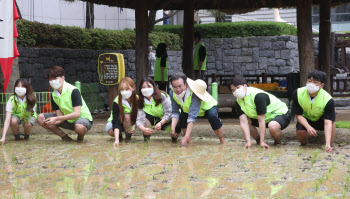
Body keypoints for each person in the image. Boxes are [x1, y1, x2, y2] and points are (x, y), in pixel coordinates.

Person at [230, 76, 291, 149]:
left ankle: (277, 143)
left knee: (273, 125)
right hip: (264, 118)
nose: (236, 91)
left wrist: (263, 141)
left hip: (280, 114)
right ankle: (258, 141)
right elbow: (243, 122)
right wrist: (248, 141)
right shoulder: (238, 101)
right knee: (247, 121)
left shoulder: (258, 96)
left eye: (238, 88)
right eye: (233, 90)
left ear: (245, 86)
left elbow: (261, 120)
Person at [37, 66, 93, 142]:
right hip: (67, 120)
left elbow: (77, 114)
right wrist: (50, 123)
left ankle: (80, 137)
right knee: (40, 118)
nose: (53, 81)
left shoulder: (73, 90)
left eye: (55, 79)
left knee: (79, 127)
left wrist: (56, 119)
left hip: (82, 119)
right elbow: (60, 116)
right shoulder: (54, 95)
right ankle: (65, 137)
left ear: (63, 78)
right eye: (50, 79)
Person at [169, 72, 225, 147]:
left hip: (207, 106)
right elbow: (175, 112)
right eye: (175, 87)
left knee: (213, 117)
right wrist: (172, 128)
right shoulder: (172, 93)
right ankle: (189, 143)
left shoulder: (194, 93)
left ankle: (223, 143)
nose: (178, 89)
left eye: (180, 86)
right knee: (182, 118)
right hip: (187, 109)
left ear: (186, 84)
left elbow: (191, 117)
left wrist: (185, 137)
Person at [291, 70, 335, 152]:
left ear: (321, 85)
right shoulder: (298, 93)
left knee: (332, 124)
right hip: (305, 119)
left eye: (315, 82)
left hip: (321, 120)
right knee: (300, 133)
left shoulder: (328, 99)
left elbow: (328, 122)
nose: (311, 84)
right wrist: (308, 127)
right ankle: (304, 146)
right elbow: (298, 115)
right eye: (309, 81)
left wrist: (327, 143)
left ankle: (329, 145)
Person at [136, 77, 174, 142]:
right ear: (140, 89)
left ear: (154, 87)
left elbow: (169, 113)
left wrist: (160, 123)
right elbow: (139, 120)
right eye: (143, 87)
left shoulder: (162, 96)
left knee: (175, 125)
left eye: (149, 86)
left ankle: (174, 139)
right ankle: (146, 141)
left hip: (167, 120)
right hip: (154, 121)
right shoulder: (140, 101)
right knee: (145, 120)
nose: (146, 89)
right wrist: (143, 129)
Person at [0, 79, 37, 144]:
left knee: (27, 123)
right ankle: (17, 137)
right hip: (16, 116)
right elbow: (7, 119)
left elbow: (32, 112)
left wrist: (25, 117)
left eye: (22, 86)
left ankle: (26, 136)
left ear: (27, 88)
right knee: (13, 120)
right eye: (18, 86)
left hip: (29, 115)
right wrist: (3, 137)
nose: (20, 88)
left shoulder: (32, 98)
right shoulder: (11, 99)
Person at [105, 77, 138, 146]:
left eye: (127, 89)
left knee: (127, 116)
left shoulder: (138, 100)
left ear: (133, 88)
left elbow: (141, 116)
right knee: (110, 129)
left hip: (131, 123)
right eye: (122, 89)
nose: (124, 91)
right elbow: (116, 121)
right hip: (117, 123)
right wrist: (116, 140)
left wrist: (134, 125)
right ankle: (119, 137)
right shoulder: (116, 102)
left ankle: (128, 136)